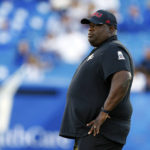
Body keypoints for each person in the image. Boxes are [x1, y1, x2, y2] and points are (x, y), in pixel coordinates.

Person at [59, 10, 134, 150]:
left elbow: (123, 78)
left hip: (101, 131)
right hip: (91, 132)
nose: (90, 30)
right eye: (90, 26)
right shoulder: (101, 50)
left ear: (111, 28)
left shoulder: (113, 48)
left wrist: (103, 113)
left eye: (96, 26)